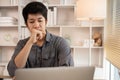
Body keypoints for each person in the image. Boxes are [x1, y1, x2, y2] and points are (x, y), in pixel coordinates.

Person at [7, 1, 74, 77]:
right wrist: (30, 43)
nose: (36, 25)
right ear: (26, 25)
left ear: (46, 22)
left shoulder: (60, 43)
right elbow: (13, 71)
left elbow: (68, 72)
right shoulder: (22, 44)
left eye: (40, 20)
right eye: (32, 22)